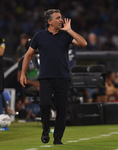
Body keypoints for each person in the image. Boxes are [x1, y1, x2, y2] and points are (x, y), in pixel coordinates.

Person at [20, 9, 87, 145]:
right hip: (45, 78)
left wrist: (70, 30)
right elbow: (28, 55)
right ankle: (45, 130)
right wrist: (23, 74)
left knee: (62, 109)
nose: (61, 20)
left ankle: (57, 139)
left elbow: (83, 43)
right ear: (49, 21)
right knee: (44, 105)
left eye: (61, 17)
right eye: (58, 18)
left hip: (63, 78)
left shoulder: (66, 35)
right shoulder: (39, 36)